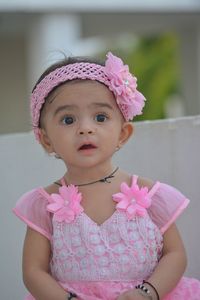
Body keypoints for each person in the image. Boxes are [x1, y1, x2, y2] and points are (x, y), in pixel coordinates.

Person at [13, 51, 200, 300]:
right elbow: (34, 271)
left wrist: (147, 292)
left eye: (100, 117)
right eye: (68, 120)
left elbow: (176, 254)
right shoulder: (45, 203)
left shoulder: (149, 194)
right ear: (46, 140)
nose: (85, 128)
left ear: (123, 133)